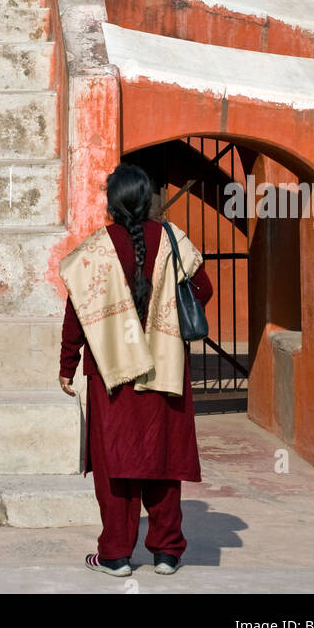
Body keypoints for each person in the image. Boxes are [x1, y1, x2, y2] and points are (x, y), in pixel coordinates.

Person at [59, 163, 213, 578]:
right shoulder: (173, 240)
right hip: (165, 369)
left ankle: (115, 556)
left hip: (113, 374)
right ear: (148, 201)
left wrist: (67, 363)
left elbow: (76, 312)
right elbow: (204, 290)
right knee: (163, 462)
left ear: (112, 204)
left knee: (116, 466)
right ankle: (166, 553)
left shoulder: (95, 249)